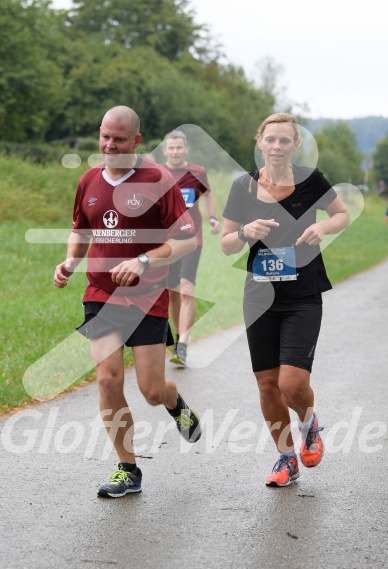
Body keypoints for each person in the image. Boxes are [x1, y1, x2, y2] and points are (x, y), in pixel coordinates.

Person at [54, 106, 202, 498]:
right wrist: (71, 261)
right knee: (107, 379)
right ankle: (128, 468)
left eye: (119, 139)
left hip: (148, 295)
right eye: (104, 136)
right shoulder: (88, 180)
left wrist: (143, 261)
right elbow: (81, 230)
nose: (109, 144)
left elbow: (186, 239)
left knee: (152, 391)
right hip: (101, 294)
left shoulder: (157, 178)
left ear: (136, 140)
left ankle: (176, 404)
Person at [221, 113, 350, 487]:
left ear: (295, 145)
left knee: (292, 383)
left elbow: (341, 214)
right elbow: (227, 242)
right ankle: (286, 458)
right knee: (266, 385)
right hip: (259, 297)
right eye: (270, 139)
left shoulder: (312, 180)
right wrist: (245, 231)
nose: (276, 146)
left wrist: (323, 225)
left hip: (303, 295)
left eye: (284, 141)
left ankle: (309, 425)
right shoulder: (243, 187)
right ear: (259, 142)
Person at [163, 130, 220, 366]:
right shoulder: (158, 174)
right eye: (171, 148)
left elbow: (208, 194)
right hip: (167, 242)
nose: (175, 151)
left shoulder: (197, 172)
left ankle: (184, 343)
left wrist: (213, 217)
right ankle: (179, 339)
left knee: (186, 288)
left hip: (192, 238)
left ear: (185, 149)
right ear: (165, 150)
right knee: (172, 293)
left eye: (179, 147)